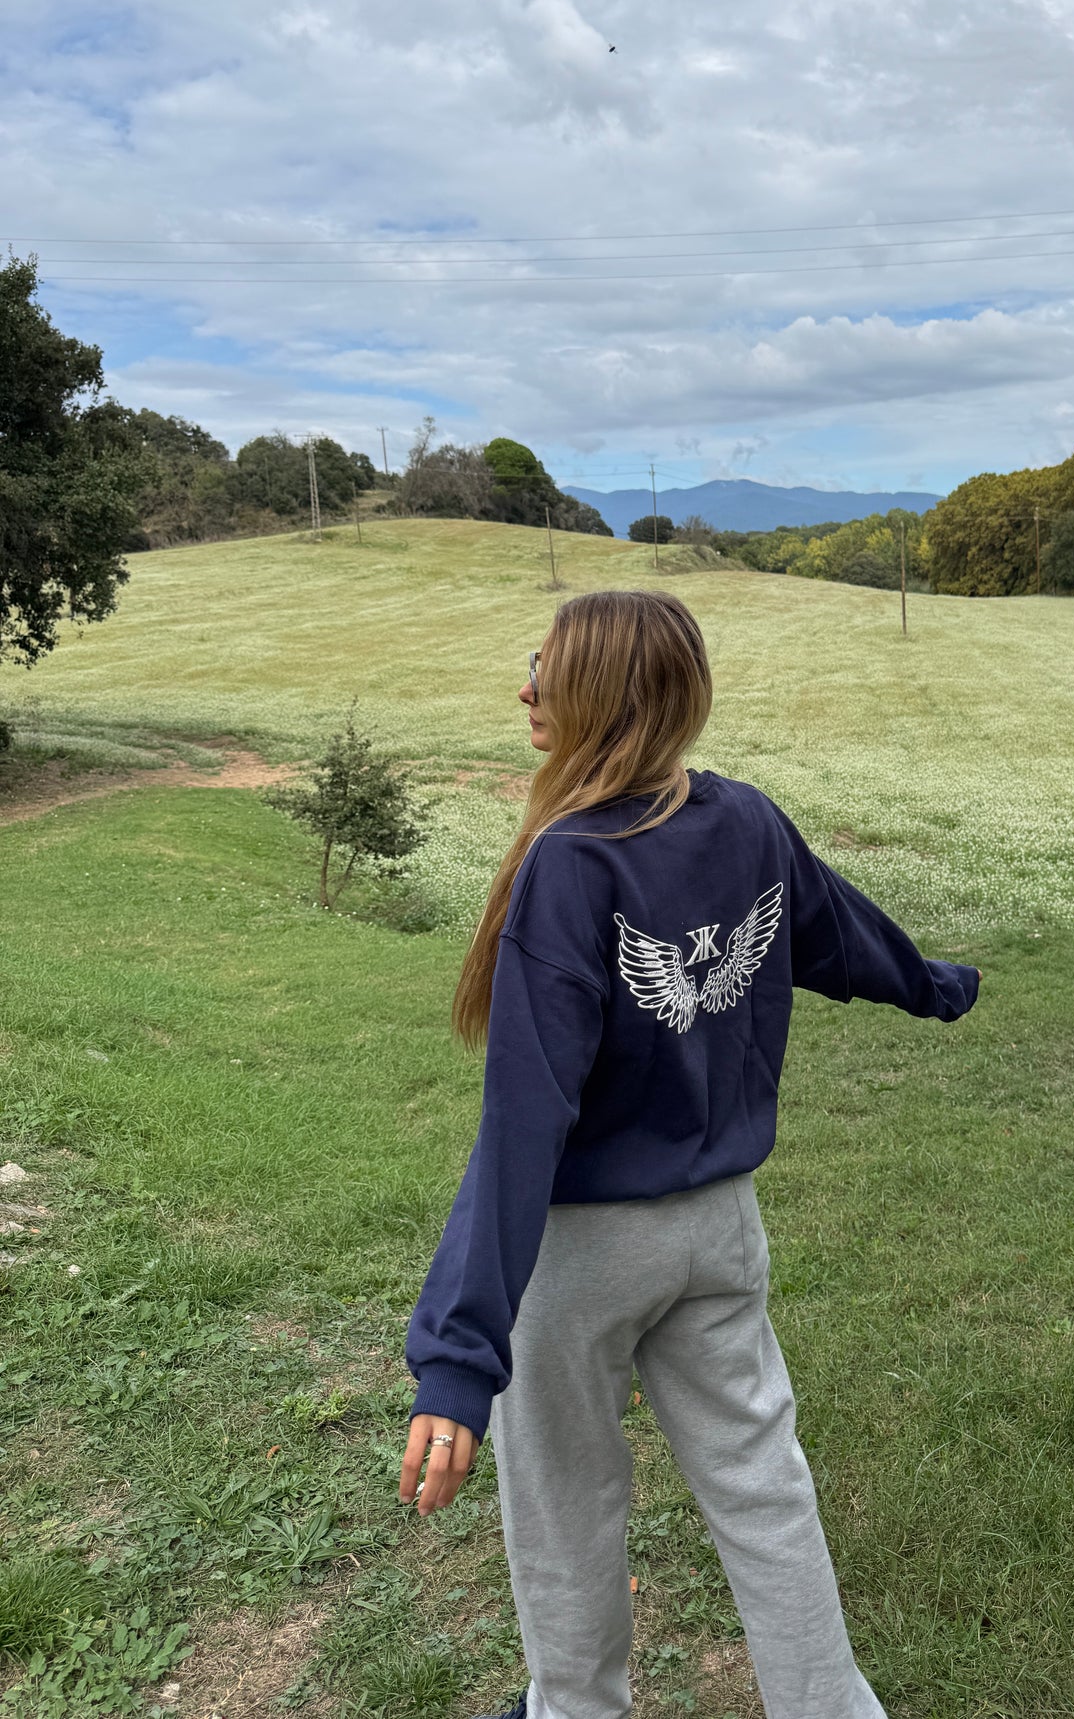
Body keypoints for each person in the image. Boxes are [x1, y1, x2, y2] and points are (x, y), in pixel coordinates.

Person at [400, 589, 981, 1719]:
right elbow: (845, 937)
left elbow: (525, 1120)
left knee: (569, 1500)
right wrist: (936, 984)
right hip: (720, 1232)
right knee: (763, 1486)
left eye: (547, 668)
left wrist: (458, 1356)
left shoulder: (568, 863)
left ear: (607, 695)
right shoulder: (746, 820)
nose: (525, 688)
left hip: (582, 1256)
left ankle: (574, 1709)